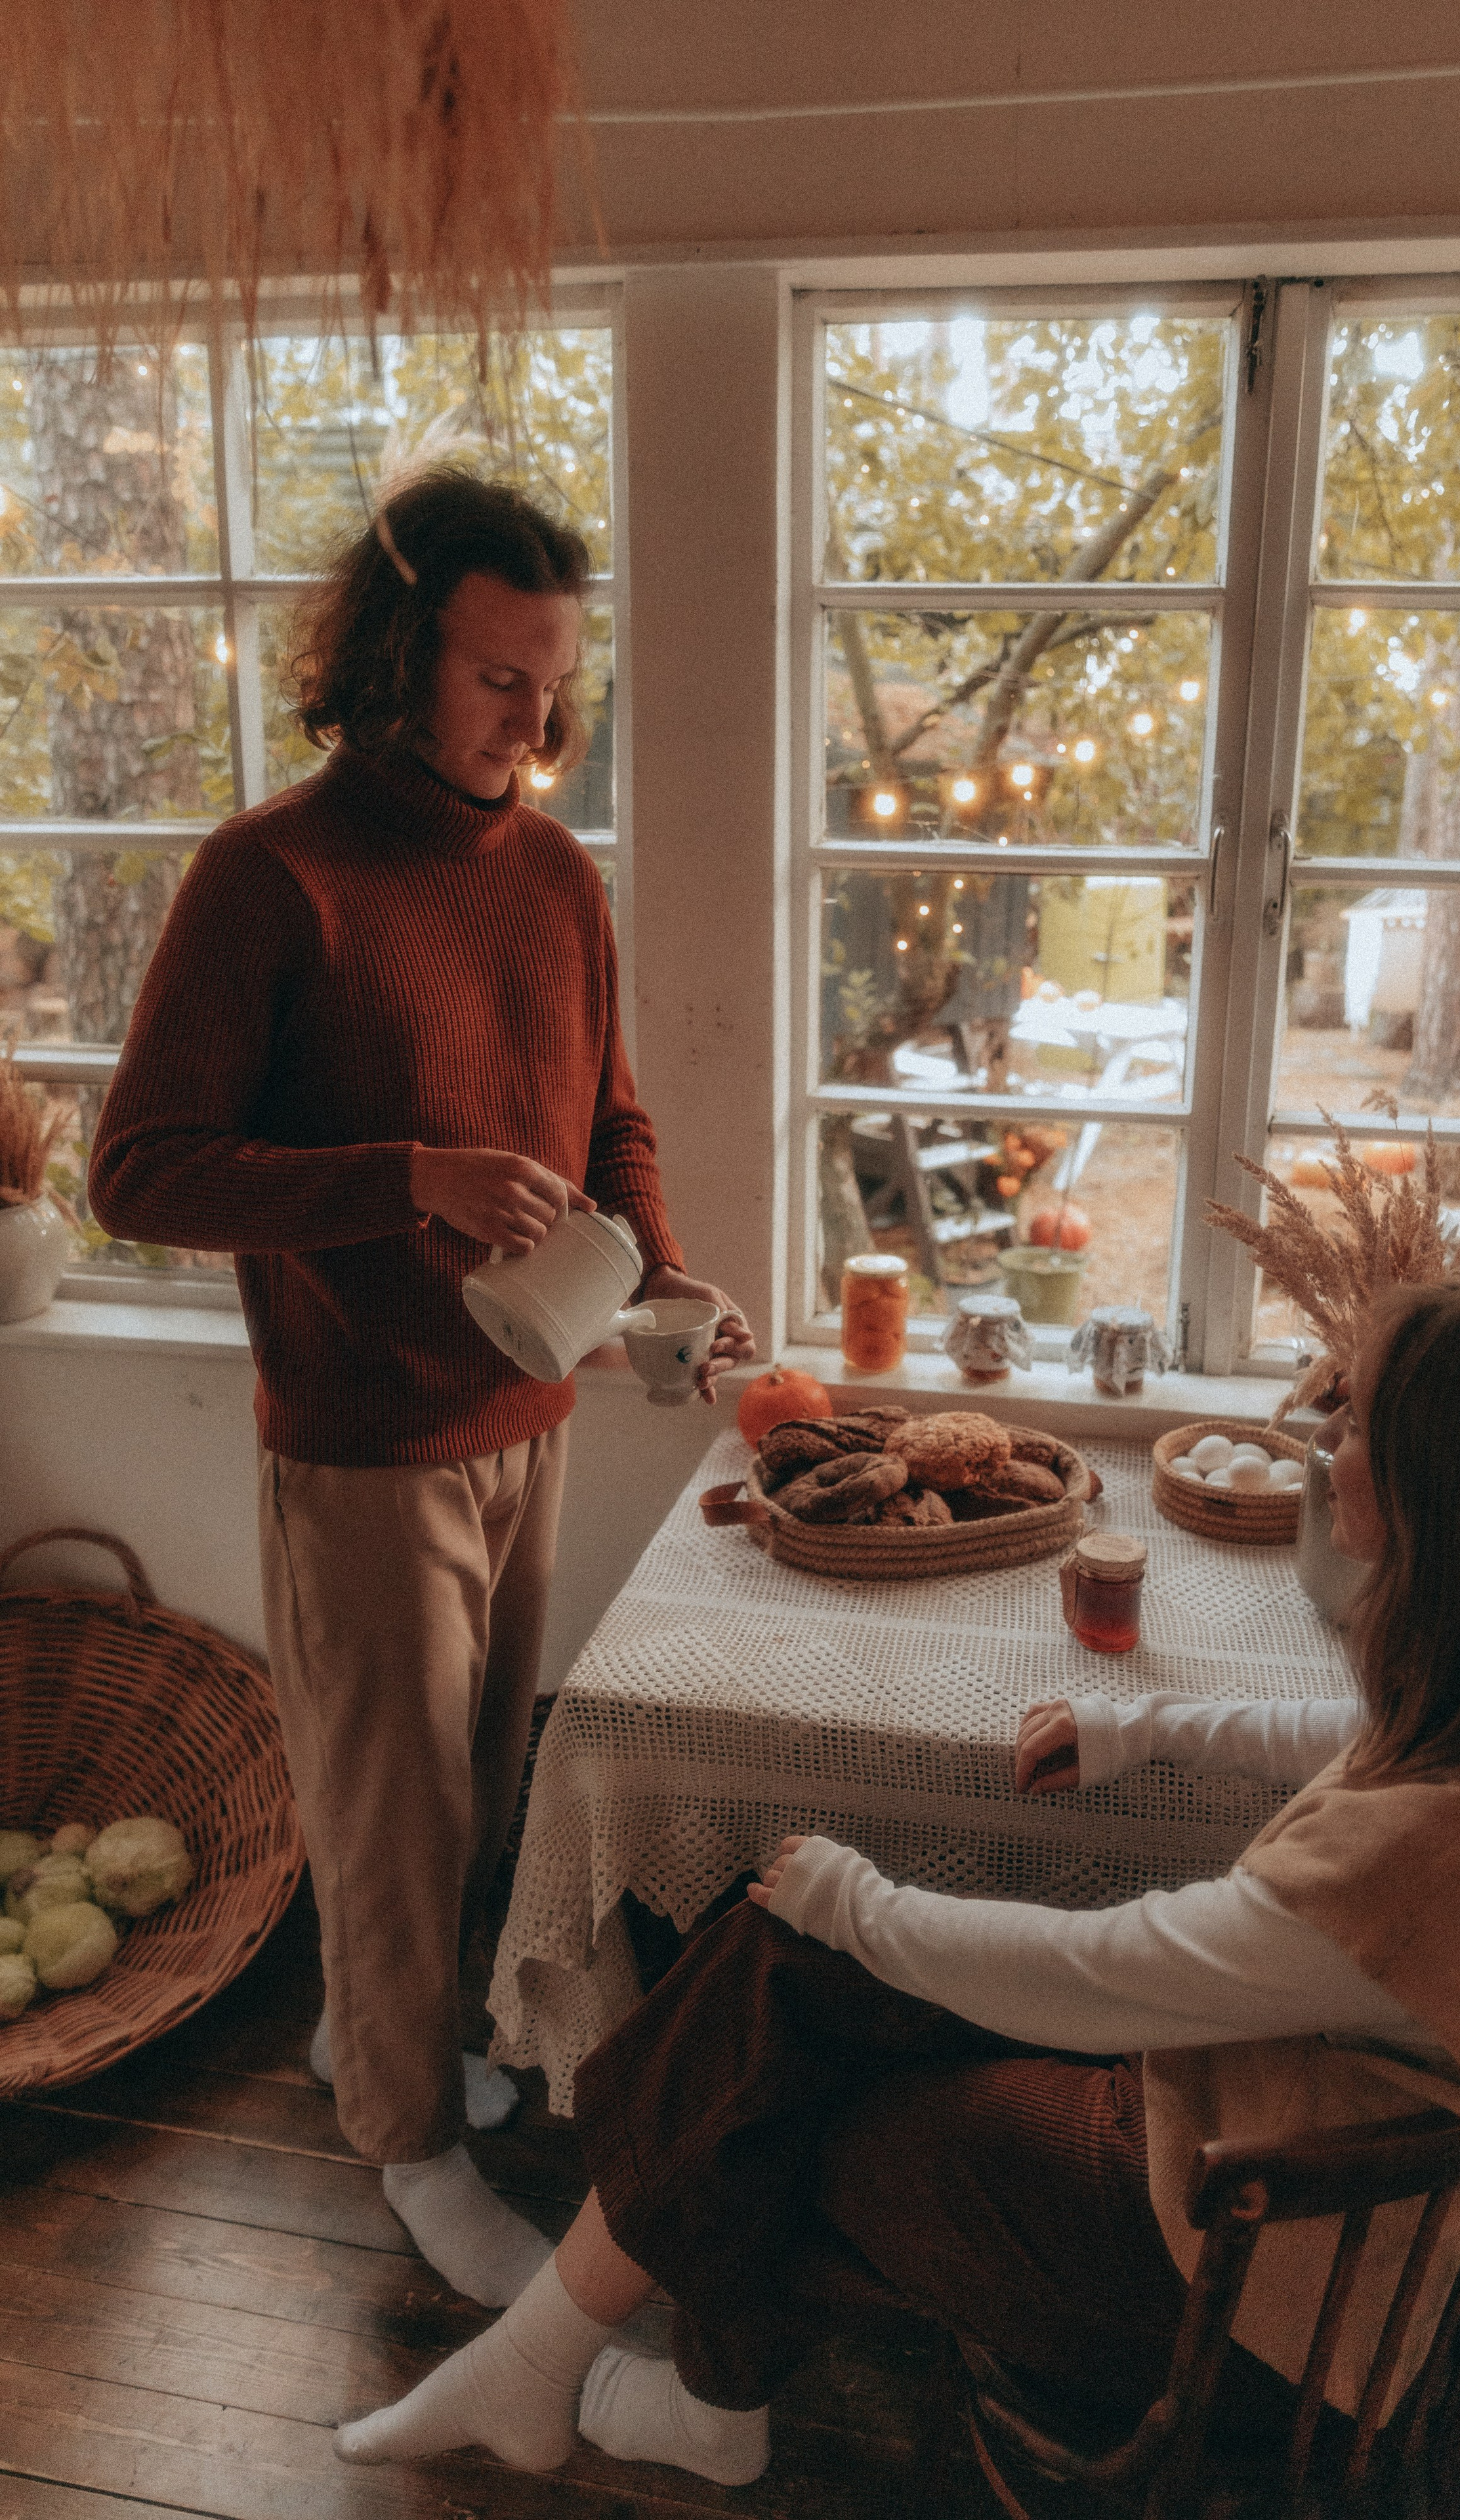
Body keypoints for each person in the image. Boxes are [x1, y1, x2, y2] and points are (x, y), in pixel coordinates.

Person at [330, 1283, 1460, 2498]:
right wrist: (1147, 1729)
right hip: (1296, 2136)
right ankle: (601, 2379)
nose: (1327, 1445)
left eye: (1359, 1422)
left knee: (784, 2087)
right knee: (775, 1972)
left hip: (1245, 2269)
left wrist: (860, 1904)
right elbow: (1359, 1731)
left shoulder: (1427, 1868)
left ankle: (648, 2394)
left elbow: (1112, 1976)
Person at [88, 469, 754, 2307]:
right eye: (501, 683)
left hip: (525, 1415)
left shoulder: (551, 873)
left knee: (477, 1788)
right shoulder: (268, 874)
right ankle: (405, 2143)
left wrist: (663, 1268)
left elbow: (607, 1114)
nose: (540, 727)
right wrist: (402, 1173)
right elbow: (137, 1175)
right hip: (363, 1439)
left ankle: (374, 2049)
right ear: (395, 658)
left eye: (558, 685)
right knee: (393, 1826)